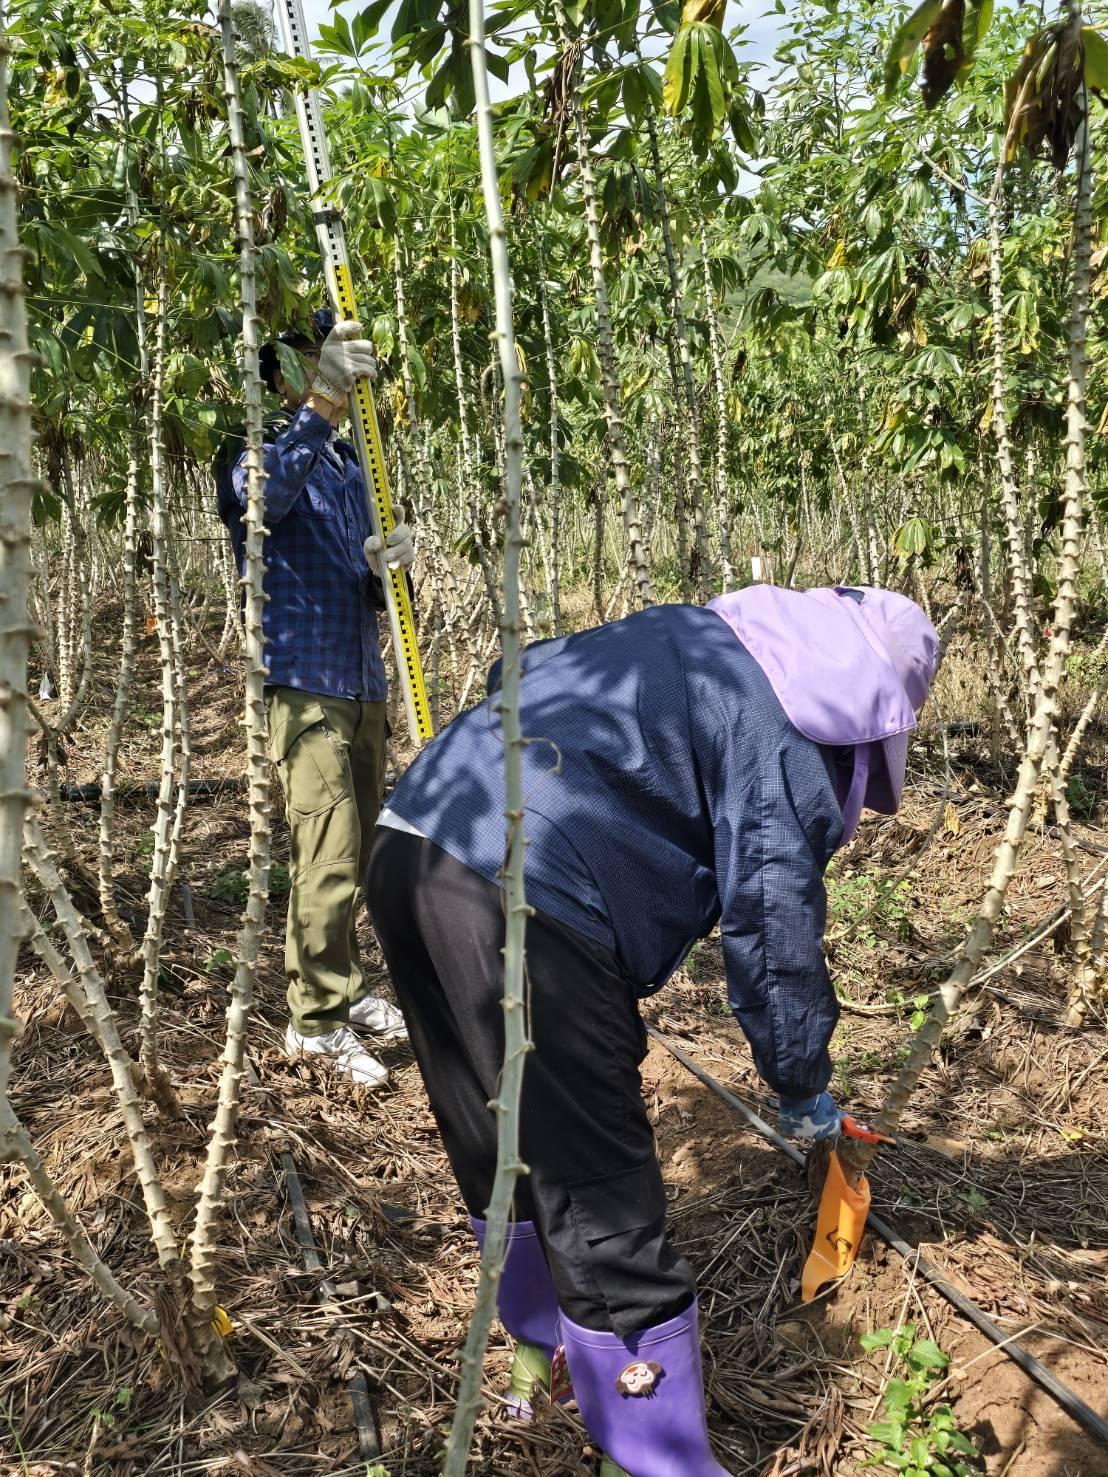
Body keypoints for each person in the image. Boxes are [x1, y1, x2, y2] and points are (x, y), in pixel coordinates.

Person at [366, 585, 939, 1477]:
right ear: (871, 714)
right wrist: (803, 1089)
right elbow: (771, 918)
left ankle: (535, 1368)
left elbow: (517, 673)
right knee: (602, 1199)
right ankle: (655, 1458)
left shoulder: (690, 637)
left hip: (414, 838)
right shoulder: (784, 730)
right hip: (530, 898)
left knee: (503, 1145)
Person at [216, 308, 416, 1088]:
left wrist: (389, 566)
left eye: (321, 356)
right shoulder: (255, 447)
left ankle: (345, 985)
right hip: (305, 686)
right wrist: (323, 404)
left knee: (356, 852)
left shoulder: (347, 466)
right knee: (325, 854)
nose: (315, 366)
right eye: (303, 357)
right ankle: (314, 1022)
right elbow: (259, 507)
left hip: (361, 679)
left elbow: (365, 582)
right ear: (277, 372)